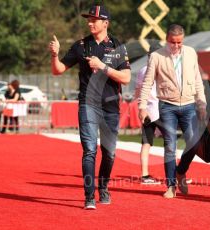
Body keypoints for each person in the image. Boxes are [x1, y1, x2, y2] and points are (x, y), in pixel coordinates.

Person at [48, 4, 131, 210]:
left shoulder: (117, 45)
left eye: (94, 19)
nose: (90, 22)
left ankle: (103, 187)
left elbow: (127, 78)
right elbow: (58, 70)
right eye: (88, 19)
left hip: (111, 106)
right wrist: (54, 55)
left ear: (105, 23)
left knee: (110, 153)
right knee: (89, 150)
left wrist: (103, 66)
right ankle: (89, 196)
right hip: (88, 104)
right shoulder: (80, 45)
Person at [139, 24, 207, 198]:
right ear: (166, 40)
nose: (176, 46)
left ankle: (180, 171)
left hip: (189, 104)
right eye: (172, 42)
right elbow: (147, 83)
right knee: (170, 145)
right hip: (167, 106)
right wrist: (142, 107)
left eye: (179, 42)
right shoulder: (156, 56)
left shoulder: (191, 53)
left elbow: (198, 79)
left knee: (193, 142)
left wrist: (202, 103)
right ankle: (171, 186)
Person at [134, 44, 162, 185]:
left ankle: (144, 175)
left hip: (147, 111)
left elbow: (137, 93)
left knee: (146, 143)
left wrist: (141, 106)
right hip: (163, 110)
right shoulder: (163, 69)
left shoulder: (142, 71)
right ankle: (175, 174)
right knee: (171, 142)